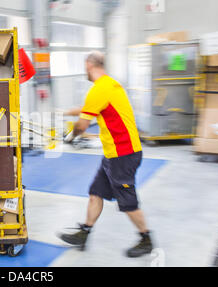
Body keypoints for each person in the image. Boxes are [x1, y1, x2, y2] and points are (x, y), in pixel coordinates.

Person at [59, 51, 153, 258]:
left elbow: (82, 125)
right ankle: (84, 233)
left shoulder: (98, 90)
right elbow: (87, 108)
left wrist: (69, 137)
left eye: (84, 66)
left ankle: (146, 239)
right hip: (114, 153)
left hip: (123, 154)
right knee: (96, 193)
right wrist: (64, 112)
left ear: (89, 65)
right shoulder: (109, 85)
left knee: (128, 202)